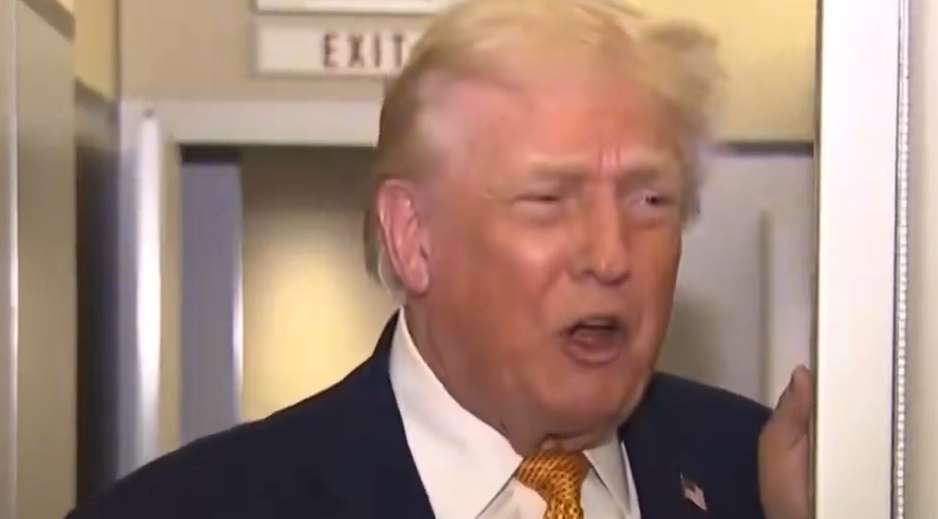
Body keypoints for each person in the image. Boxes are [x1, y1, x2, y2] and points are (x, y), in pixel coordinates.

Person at [68, 0, 811, 518]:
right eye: (549, 199)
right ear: (413, 235)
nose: (611, 256)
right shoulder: (189, 508)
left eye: (650, 200)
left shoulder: (767, 481)